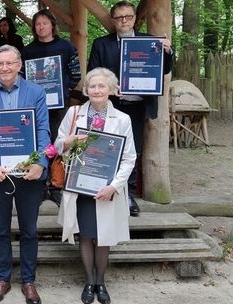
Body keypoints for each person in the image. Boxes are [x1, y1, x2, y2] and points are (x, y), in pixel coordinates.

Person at [0, 45, 50, 304]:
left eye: (9, 63)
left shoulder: (36, 92)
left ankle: (28, 280)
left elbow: (43, 131)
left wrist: (40, 163)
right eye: (0, 64)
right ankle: (3, 278)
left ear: (19, 65)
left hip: (28, 174)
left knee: (29, 229)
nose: (4, 68)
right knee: (0, 228)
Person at [55, 68, 136, 304]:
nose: (97, 90)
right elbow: (58, 144)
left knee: (104, 237)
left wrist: (114, 186)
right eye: (92, 86)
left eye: (102, 86)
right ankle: (89, 281)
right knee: (87, 234)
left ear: (111, 90)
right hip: (80, 186)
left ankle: (101, 282)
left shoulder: (122, 119)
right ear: (86, 89)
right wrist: (69, 140)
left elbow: (129, 157)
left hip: (107, 188)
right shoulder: (74, 113)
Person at [87, 0, 174, 216]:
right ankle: (104, 190)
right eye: (119, 17)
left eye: (127, 16)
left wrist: (168, 51)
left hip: (136, 106)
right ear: (113, 20)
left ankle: (127, 194)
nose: (123, 20)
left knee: (132, 151)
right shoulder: (101, 44)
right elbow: (93, 72)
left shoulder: (150, 41)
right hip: (110, 105)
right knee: (108, 148)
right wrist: (110, 87)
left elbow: (165, 70)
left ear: (134, 19)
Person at [21, 9, 82, 205]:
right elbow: (21, 77)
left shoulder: (66, 47)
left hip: (59, 105)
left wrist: (64, 90)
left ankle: (56, 184)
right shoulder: (28, 51)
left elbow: (75, 72)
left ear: (52, 25)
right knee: (38, 142)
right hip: (35, 107)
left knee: (58, 142)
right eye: (37, 24)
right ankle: (39, 185)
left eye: (44, 23)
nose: (41, 27)